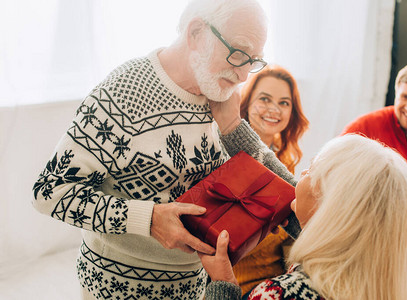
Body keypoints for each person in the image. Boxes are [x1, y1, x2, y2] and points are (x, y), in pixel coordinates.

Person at [31, 1, 301, 299]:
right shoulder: (123, 93)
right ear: (196, 32)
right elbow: (49, 192)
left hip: (195, 286)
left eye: (254, 61)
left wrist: (235, 127)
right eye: (238, 54)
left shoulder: (221, 93)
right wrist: (147, 219)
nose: (243, 76)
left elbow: (276, 187)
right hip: (117, 286)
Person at [200, 134, 407, 300]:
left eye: (312, 168)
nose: (302, 175)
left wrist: (223, 285)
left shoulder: (279, 294)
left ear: (330, 205)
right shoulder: (384, 280)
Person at [233, 65, 309, 297]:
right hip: (242, 284)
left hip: (280, 278)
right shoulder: (230, 159)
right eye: (265, 99)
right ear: (246, 104)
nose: (274, 109)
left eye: (284, 103)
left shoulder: (286, 157)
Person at [341, 61, 407, 216]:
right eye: (405, 97)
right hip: (367, 221)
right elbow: (333, 174)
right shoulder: (362, 127)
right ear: (396, 92)